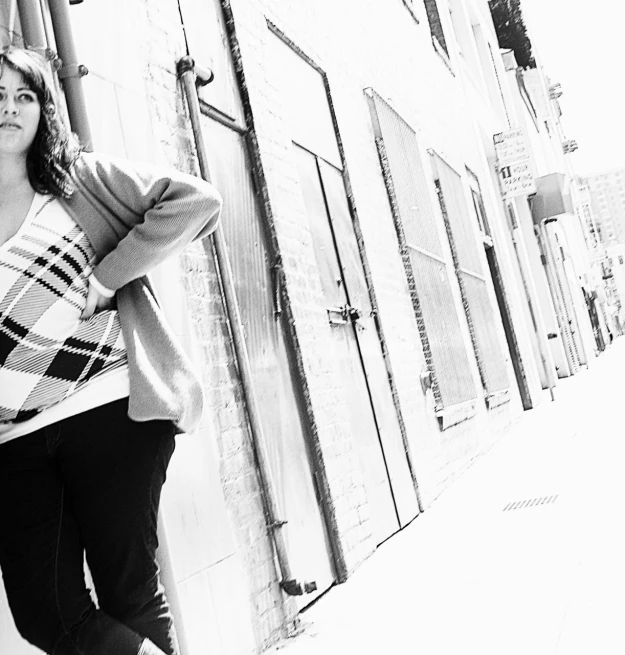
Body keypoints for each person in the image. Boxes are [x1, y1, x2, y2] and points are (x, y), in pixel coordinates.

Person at [0, 45, 222, 655]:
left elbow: (195, 200)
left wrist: (111, 273)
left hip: (109, 413)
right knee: (45, 615)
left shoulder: (78, 183)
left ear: (45, 110)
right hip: (14, 442)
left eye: (26, 96)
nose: (12, 109)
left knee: (130, 595)